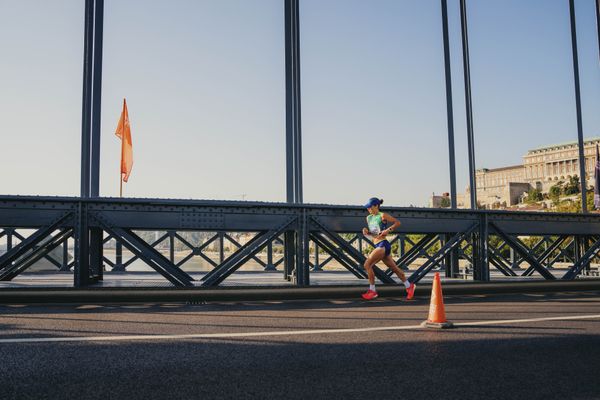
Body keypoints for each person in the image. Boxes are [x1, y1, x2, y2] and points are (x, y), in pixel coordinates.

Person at [361, 197, 415, 300]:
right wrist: (366, 231)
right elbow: (375, 234)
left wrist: (388, 230)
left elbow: (397, 222)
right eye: (367, 208)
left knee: (367, 264)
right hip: (377, 244)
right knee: (394, 268)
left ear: (376, 206)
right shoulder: (368, 218)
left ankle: (372, 291)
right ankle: (409, 286)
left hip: (383, 245)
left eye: (370, 207)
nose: (368, 209)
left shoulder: (383, 215)